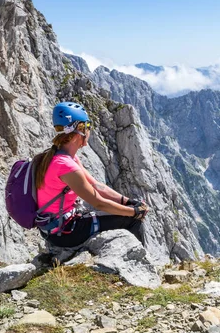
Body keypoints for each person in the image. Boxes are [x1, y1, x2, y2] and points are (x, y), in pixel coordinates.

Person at [33, 101, 149, 248]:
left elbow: (96, 185)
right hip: (66, 232)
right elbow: (98, 202)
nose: (89, 131)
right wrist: (133, 213)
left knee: (124, 215)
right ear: (78, 132)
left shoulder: (62, 157)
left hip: (57, 226)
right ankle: (141, 265)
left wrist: (127, 202)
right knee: (132, 221)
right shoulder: (66, 166)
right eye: (87, 126)